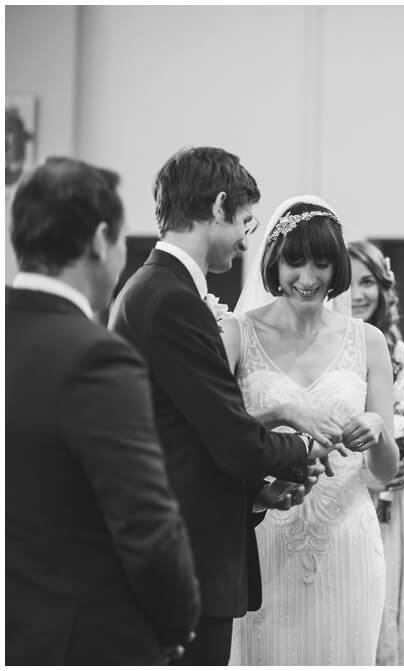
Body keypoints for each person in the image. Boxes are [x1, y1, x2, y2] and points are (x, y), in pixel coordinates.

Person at [109, 148, 335, 665]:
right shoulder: (170, 300)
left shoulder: (151, 290)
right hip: (183, 554)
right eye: (245, 220)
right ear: (218, 207)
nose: (245, 240)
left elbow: (187, 428)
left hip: (186, 544)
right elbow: (230, 439)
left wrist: (256, 493)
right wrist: (301, 449)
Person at [6, 157, 200, 664]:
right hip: (79, 639)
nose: (120, 256)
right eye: (121, 242)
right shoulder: (94, 355)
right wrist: (178, 624)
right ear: (99, 240)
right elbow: (147, 526)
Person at [225, 197, 398, 665]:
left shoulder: (369, 341)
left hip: (347, 538)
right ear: (274, 262)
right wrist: (281, 411)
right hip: (265, 533)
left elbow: (385, 472)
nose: (307, 278)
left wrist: (378, 427)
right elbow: (214, 430)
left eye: (322, 263)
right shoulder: (237, 333)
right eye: (294, 262)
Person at [348, 239, 404, 665]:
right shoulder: (327, 344)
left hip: (391, 498)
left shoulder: (398, 351)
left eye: (368, 282)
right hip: (345, 489)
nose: (359, 294)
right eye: (351, 282)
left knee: (384, 602)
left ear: (383, 288)